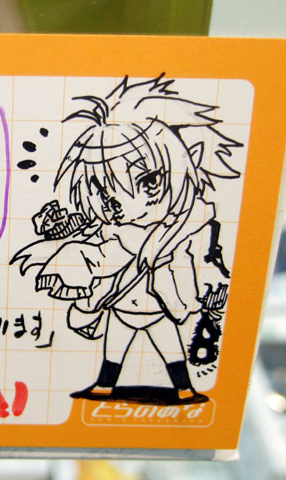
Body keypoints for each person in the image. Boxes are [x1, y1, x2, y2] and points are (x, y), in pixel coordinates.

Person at [12, 75, 242, 403]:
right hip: (122, 306)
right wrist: (66, 267)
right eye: (104, 194)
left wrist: (196, 293)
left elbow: (191, 267)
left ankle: (183, 388)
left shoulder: (179, 232)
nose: (117, 203)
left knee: (170, 348)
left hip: (157, 308)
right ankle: (106, 386)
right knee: (115, 350)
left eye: (148, 181)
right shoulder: (114, 234)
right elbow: (95, 257)